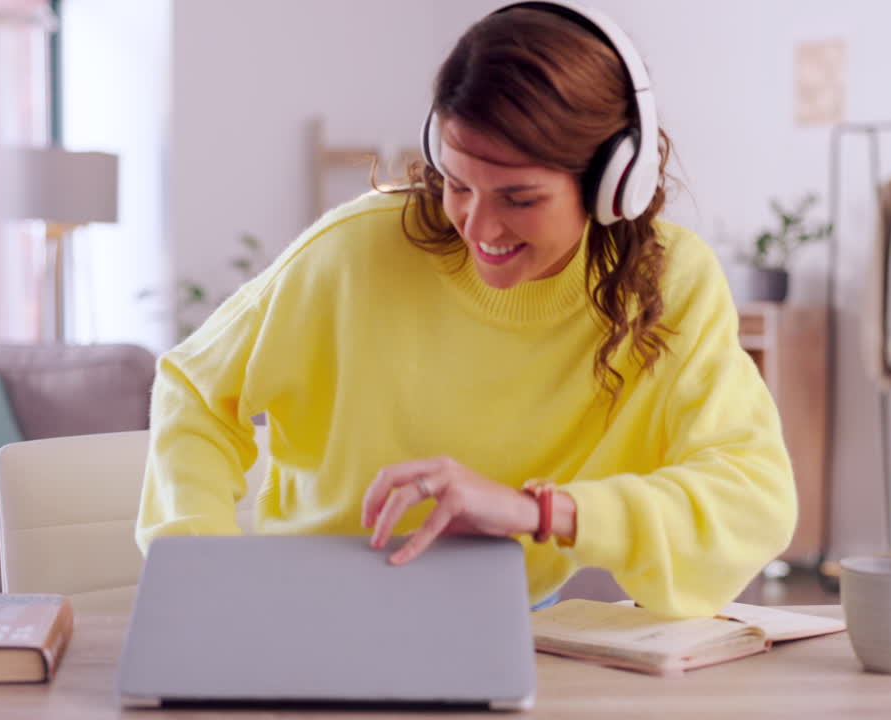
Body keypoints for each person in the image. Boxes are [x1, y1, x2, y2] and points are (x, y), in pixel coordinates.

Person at [136, 0, 796, 619]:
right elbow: (194, 392)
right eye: (457, 184)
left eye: (518, 198)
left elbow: (753, 496)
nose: (478, 226)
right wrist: (202, 571)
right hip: (308, 607)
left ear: (612, 183)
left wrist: (539, 512)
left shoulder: (664, 285)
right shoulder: (353, 251)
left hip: (509, 617)